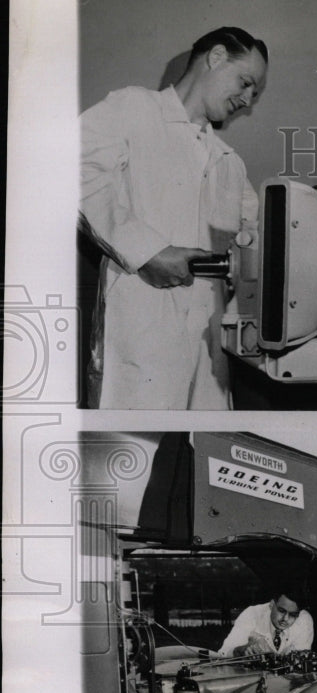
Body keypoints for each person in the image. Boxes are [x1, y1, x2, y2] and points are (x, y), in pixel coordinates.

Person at [80, 26, 268, 409]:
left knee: (209, 461)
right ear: (216, 58)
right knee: (124, 461)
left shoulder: (229, 162)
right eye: (246, 82)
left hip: (209, 347)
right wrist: (148, 253)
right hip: (140, 336)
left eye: (254, 92)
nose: (248, 101)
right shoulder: (133, 108)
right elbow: (73, 171)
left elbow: (266, 232)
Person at [219, 592, 314, 657]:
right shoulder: (251, 614)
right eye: (281, 611)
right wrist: (241, 650)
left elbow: (301, 659)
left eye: (293, 615)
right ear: (272, 604)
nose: (285, 619)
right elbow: (224, 653)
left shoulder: (304, 620)